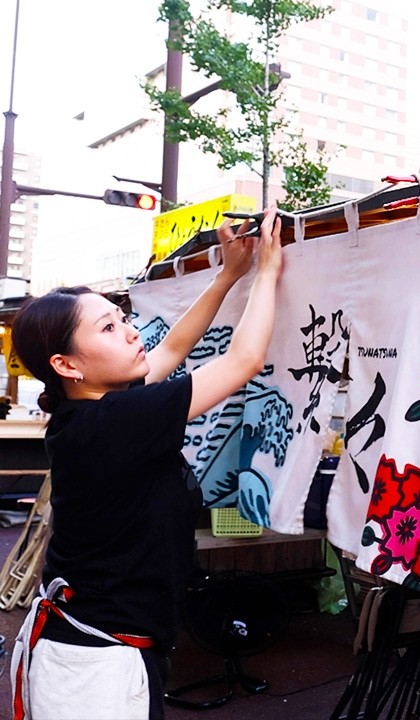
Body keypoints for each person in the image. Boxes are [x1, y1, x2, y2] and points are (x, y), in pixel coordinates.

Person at [7, 208, 285, 719]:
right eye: (109, 327)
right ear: (66, 365)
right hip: (95, 662)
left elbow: (175, 346)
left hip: (97, 643)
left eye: (123, 318)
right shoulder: (110, 421)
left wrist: (228, 276)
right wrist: (267, 270)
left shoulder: (94, 409)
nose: (132, 332)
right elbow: (242, 362)